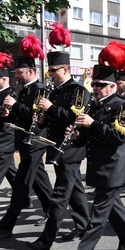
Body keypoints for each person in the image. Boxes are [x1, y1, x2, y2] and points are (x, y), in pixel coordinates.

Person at [26, 50, 91, 250]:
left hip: (70, 149)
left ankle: (46, 241)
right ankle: (84, 225)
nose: (51, 74)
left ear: (66, 69)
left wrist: (51, 108)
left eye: (54, 70)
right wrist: (44, 119)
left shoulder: (78, 90)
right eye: (49, 71)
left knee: (60, 196)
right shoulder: (53, 91)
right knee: (75, 191)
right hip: (55, 146)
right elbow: (53, 118)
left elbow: (75, 117)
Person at [72, 64, 125, 250]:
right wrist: (77, 136)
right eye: (94, 85)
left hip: (112, 168)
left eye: (100, 85)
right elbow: (87, 136)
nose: (95, 88)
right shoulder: (94, 105)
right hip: (98, 166)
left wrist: (92, 124)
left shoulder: (122, 106)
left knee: (98, 216)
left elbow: (118, 137)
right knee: (115, 211)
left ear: (112, 87)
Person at [0, 35, 53, 240]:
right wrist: (9, 113)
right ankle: (54, 210)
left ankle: (6, 225)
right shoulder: (23, 90)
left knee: (21, 185)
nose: (16, 75)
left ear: (31, 72)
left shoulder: (39, 89)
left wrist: (15, 106)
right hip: (23, 139)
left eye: (19, 72)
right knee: (39, 180)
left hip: (35, 141)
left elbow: (33, 113)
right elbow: (20, 113)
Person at [0, 52, 17, 191]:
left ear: (4, 79)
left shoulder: (11, 94)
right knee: (11, 171)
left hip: (5, 138)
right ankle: (22, 196)